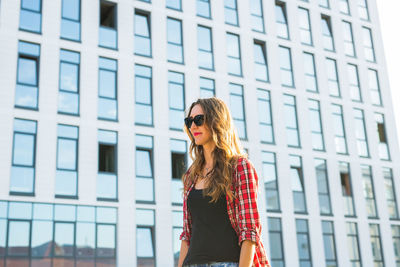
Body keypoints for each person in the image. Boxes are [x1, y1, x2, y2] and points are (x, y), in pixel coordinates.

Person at [177, 98, 270, 267]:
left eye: (199, 120)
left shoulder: (239, 167)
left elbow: (249, 232)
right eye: (189, 121)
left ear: (216, 121)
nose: (193, 127)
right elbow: (187, 234)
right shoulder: (192, 175)